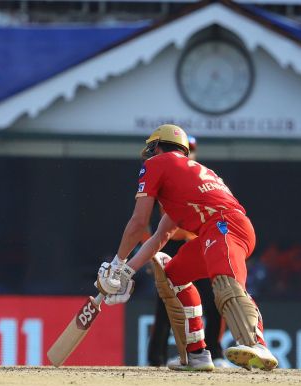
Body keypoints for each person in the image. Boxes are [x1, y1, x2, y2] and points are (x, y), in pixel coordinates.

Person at [95, 124, 277, 372]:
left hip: (224, 226)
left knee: (226, 282)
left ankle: (257, 344)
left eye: (152, 150)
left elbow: (138, 223)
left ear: (157, 147)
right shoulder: (184, 181)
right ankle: (197, 354)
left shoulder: (157, 164)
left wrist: (116, 263)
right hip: (217, 231)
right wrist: (127, 271)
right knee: (171, 277)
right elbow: (160, 236)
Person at [145, 136, 226, 367]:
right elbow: (144, 220)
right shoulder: (163, 177)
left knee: (212, 299)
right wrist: (149, 252)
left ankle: (214, 353)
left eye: (190, 150)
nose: (188, 153)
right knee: (165, 302)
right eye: (184, 149)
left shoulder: (202, 176)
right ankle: (155, 358)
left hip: (198, 244)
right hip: (168, 243)